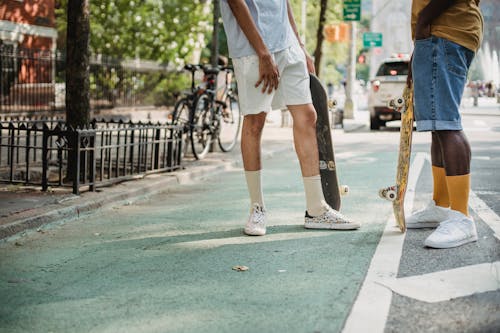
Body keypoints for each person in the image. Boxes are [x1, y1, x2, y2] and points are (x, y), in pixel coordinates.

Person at [219, 0, 360, 236]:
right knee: (255, 121)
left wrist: (300, 46)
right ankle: (257, 208)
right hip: (253, 50)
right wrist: (263, 53)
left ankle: (316, 209)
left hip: (288, 46)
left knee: (307, 115)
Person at [406, 0, 483, 248]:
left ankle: (461, 217)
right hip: (443, 32)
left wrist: (424, 22)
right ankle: (441, 205)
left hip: (442, 30)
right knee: (438, 125)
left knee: (447, 124)